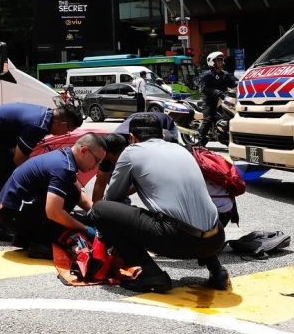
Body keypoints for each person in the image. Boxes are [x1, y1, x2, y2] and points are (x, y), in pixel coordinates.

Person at [89, 113, 229, 293]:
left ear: (132, 137)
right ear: (162, 135)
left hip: (179, 242)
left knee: (99, 210)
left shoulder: (131, 152)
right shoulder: (181, 150)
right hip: (216, 238)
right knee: (191, 212)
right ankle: (217, 271)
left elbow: (113, 198)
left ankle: (151, 274)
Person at [0, 133, 108, 259]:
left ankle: (26, 238)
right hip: (12, 215)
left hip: (10, 210)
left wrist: (97, 214)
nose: (96, 166)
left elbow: (80, 194)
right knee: (70, 195)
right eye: (97, 160)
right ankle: (40, 245)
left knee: (72, 192)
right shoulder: (64, 168)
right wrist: (85, 229)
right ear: (84, 151)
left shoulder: (64, 156)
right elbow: (54, 213)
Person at [0, 102, 83, 193]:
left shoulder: (46, 116)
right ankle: (5, 211)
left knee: (15, 171)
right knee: (9, 173)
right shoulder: (38, 126)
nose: (66, 134)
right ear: (63, 124)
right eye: (68, 131)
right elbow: (19, 159)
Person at [196, 52, 238, 142]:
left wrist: (241, 84)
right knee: (209, 118)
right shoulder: (207, 75)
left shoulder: (225, 74)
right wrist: (218, 92)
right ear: (212, 62)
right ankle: (200, 141)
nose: (220, 62)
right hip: (209, 100)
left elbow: (232, 84)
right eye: (218, 60)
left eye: (221, 60)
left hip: (222, 99)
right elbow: (204, 89)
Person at [114, 111, 178, 144]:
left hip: (167, 121)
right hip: (136, 116)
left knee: (172, 142)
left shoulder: (142, 136)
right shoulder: (117, 134)